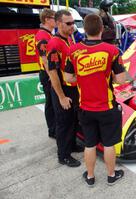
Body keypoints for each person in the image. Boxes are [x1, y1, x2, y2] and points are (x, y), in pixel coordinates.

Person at [64, 14, 128, 186]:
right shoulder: (113, 51)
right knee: (108, 144)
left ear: (85, 29)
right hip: (107, 108)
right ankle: (111, 175)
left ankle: (90, 177)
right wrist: (107, 77)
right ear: (101, 29)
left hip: (85, 107)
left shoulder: (73, 50)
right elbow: (121, 80)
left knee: (90, 144)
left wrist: (85, 79)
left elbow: (68, 78)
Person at [47, 10, 81, 167]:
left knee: (73, 119)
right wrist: (61, 96)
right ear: (59, 23)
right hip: (62, 89)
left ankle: (72, 145)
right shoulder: (54, 43)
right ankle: (63, 155)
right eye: (69, 23)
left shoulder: (70, 38)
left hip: (73, 87)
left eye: (73, 22)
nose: (72, 26)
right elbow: (52, 72)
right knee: (64, 122)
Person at [35, 8, 56, 139]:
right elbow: (45, 59)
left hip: (48, 73)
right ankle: (52, 130)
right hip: (47, 73)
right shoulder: (43, 35)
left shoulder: (48, 34)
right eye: (54, 18)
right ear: (47, 19)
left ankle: (53, 128)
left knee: (52, 103)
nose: (56, 20)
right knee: (51, 103)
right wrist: (52, 76)